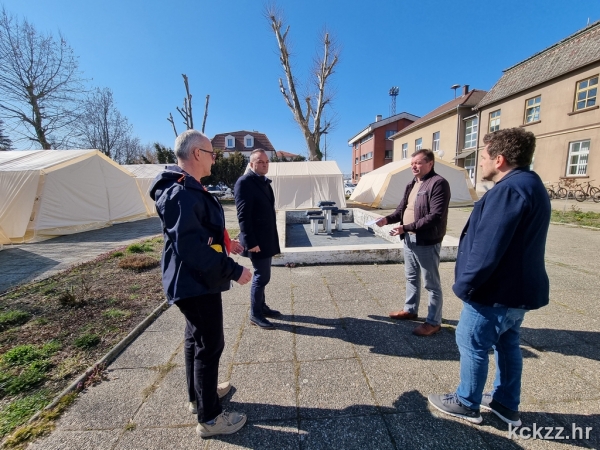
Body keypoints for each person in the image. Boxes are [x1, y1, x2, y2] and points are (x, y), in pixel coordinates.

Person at [428, 128, 551, 427]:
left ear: (500, 159)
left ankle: (466, 402)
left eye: (482, 158)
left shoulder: (509, 190)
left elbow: (488, 246)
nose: (480, 164)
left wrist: (465, 284)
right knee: (507, 344)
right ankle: (505, 404)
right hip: (516, 290)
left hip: (494, 290)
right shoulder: (530, 183)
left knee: (472, 342)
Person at [150, 129, 253, 438]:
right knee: (210, 345)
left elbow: (200, 235)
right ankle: (210, 420)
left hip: (191, 282)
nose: (214, 158)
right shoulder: (181, 192)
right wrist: (233, 271)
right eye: (211, 153)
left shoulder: (186, 187)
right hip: (194, 283)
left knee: (196, 341)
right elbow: (193, 248)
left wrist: (224, 244)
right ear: (196, 154)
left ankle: (199, 397)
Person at [376, 149, 451, 336]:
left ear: (430, 163)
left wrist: (406, 227)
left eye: (417, 163)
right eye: (412, 164)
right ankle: (410, 310)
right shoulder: (412, 184)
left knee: (431, 283)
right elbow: (402, 209)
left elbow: (435, 216)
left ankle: (434, 321)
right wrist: (387, 219)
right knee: (411, 277)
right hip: (409, 238)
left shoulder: (438, 183)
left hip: (426, 240)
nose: (413, 167)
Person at [234, 149, 281, 330]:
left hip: (266, 238)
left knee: (264, 276)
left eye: (267, 161)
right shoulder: (245, 182)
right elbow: (243, 216)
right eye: (260, 162)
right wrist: (250, 242)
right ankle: (255, 314)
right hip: (256, 242)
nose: (265, 164)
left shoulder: (263, 182)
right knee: (261, 277)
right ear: (252, 164)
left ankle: (261, 306)